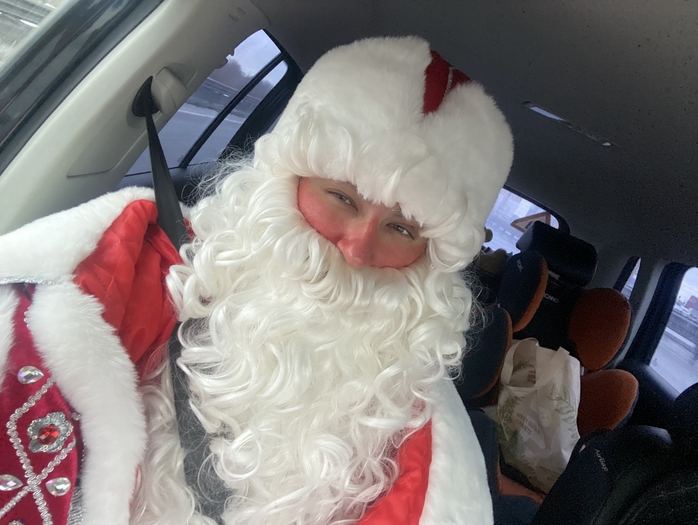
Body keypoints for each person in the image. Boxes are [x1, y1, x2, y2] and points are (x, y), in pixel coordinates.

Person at [0, 36, 512, 524]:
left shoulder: (409, 420)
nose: (356, 251)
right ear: (285, 182)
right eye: (342, 198)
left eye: (400, 229)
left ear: (428, 261)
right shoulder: (135, 264)